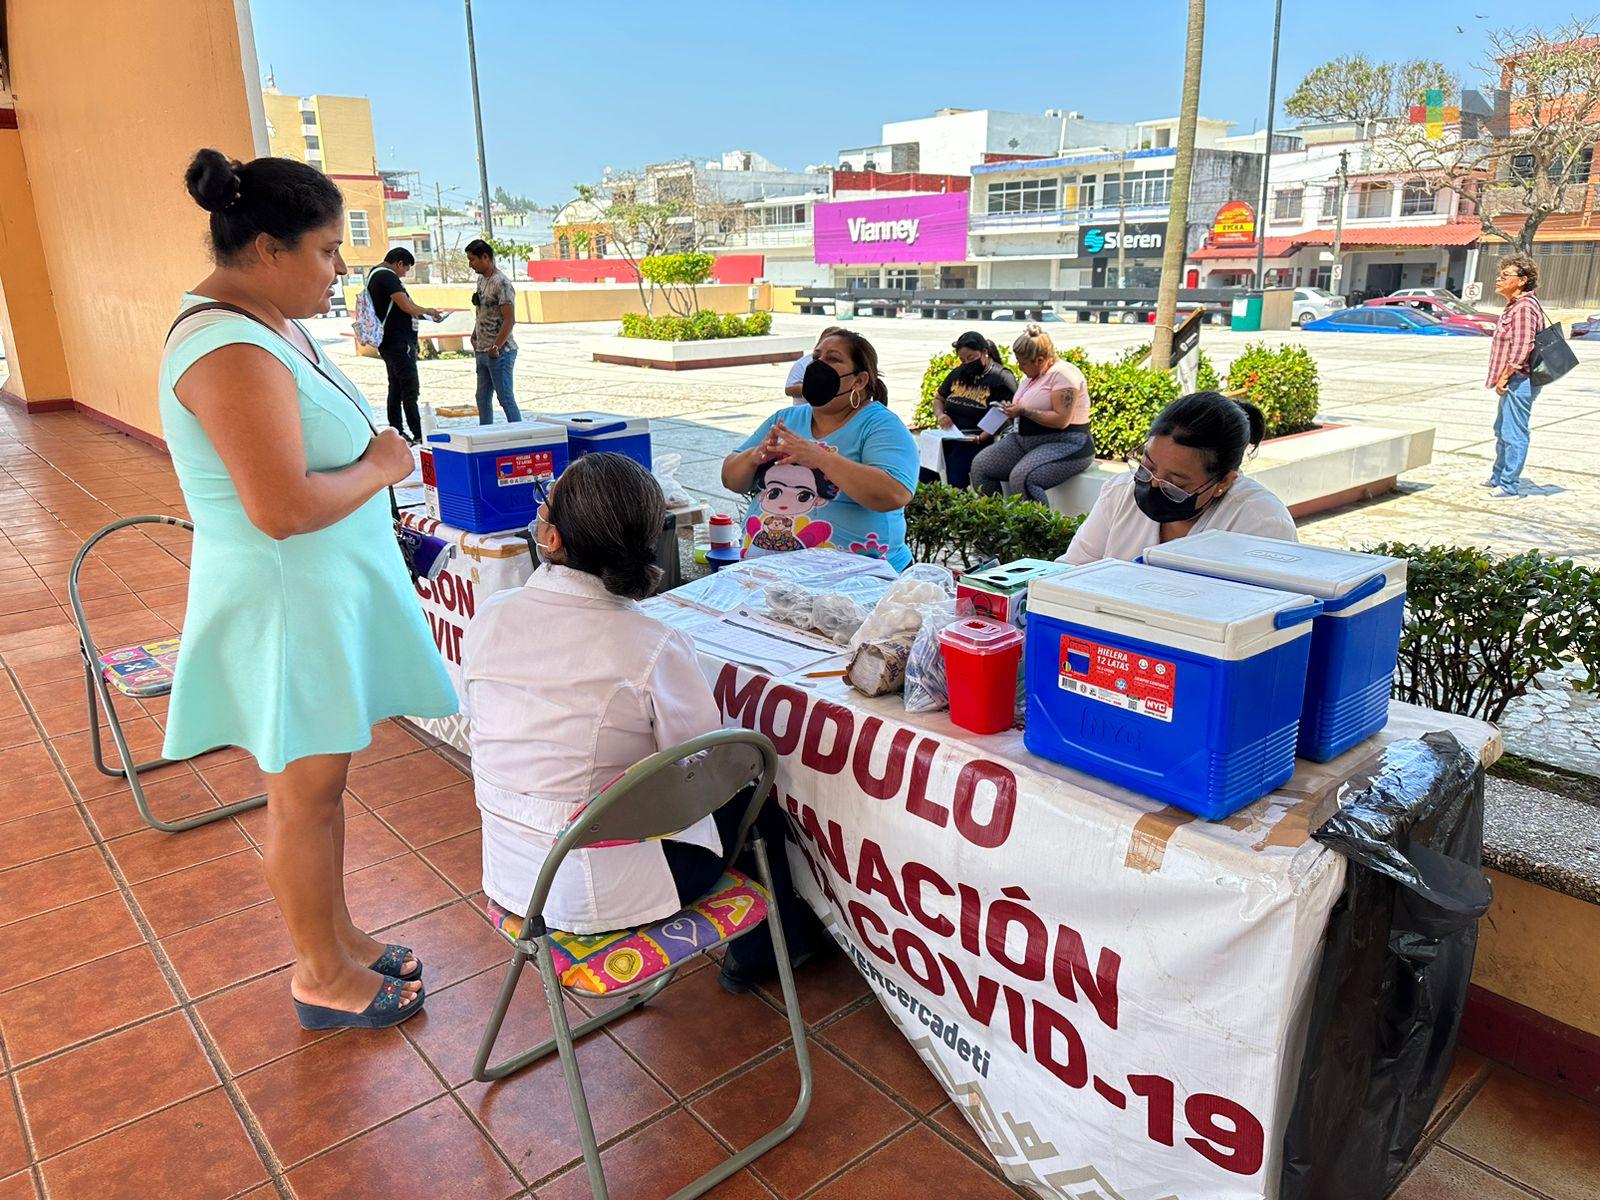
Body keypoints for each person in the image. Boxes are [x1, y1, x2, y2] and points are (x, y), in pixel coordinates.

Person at [163, 150, 457, 1029]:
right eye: (328, 251)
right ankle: (319, 975)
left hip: (320, 599)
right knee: (301, 796)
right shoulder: (224, 345)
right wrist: (380, 465)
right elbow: (282, 507)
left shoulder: (270, 325)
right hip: (285, 603)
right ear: (266, 246)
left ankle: (339, 933)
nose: (339, 272)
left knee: (324, 788)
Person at [461, 452, 812, 993]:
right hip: (604, 890)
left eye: (544, 507)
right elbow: (707, 770)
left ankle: (766, 950)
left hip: (513, 876)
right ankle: (765, 955)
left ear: (552, 539)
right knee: (754, 801)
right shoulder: (651, 645)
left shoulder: (494, 613)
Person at [722, 330, 919, 570]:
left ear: (859, 380)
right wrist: (755, 456)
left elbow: (894, 494)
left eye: (833, 359)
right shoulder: (785, 418)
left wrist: (821, 458)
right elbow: (731, 478)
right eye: (816, 358)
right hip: (771, 575)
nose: (819, 366)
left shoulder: (880, 424)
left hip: (859, 580)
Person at [1061, 390, 1297, 565]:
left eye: (1175, 483)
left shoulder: (1261, 523)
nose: (1153, 484)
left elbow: (1266, 620)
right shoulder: (1119, 493)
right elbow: (1072, 571)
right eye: (1147, 467)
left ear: (1223, 483)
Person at [970, 324, 1093, 502]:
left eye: (1023, 363)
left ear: (1040, 359)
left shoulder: (1064, 374)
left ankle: (1034, 529)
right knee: (981, 466)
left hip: (1066, 443)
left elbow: (1061, 420)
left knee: (1023, 478)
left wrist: (1024, 411)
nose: (1020, 367)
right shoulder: (1031, 376)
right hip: (1023, 440)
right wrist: (1012, 409)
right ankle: (994, 522)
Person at [365, 247, 441, 444]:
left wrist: (423, 315)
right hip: (397, 342)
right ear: (399, 263)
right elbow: (407, 306)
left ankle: (396, 430)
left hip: (390, 342)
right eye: (405, 269)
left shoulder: (375, 275)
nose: (405, 274)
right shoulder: (386, 276)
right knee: (409, 387)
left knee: (396, 387)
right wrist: (429, 311)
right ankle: (418, 432)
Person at [1484, 254, 1544, 499]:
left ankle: (1509, 484)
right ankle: (1498, 476)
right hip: (1514, 378)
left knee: (1514, 432)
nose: (1499, 279)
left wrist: (1505, 377)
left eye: (1505, 276)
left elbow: (1522, 347)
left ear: (1522, 281)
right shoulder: (1515, 305)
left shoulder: (1524, 308)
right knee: (1502, 429)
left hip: (1519, 379)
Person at [928, 330, 1017, 488]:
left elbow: (1003, 412)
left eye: (971, 358)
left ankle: (958, 505)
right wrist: (940, 415)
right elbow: (939, 399)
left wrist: (981, 437)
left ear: (985, 352)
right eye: (962, 360)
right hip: (952, 435)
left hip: (979, 438)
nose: (967, 363)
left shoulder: (1001, 377)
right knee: (925, 467)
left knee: (956, 470)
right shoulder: (959, 373)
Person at [465, 238, 521, 424]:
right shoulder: (482, 280)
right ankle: (485, 433)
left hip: (500, 352)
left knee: (505, 397)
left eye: (473, 259)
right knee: (482, 397)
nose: (470, 264)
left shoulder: (501, 283)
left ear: (486, 257)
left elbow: (509, 319)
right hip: (482, 349)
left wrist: (497, 345)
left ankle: (519, 434)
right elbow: (483, 310)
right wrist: (475, 333)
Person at [783, 325, 845, 398]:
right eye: (816, 357)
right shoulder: (802, 364)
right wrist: (812, 388)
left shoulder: (845, 364)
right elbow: (789, 390)